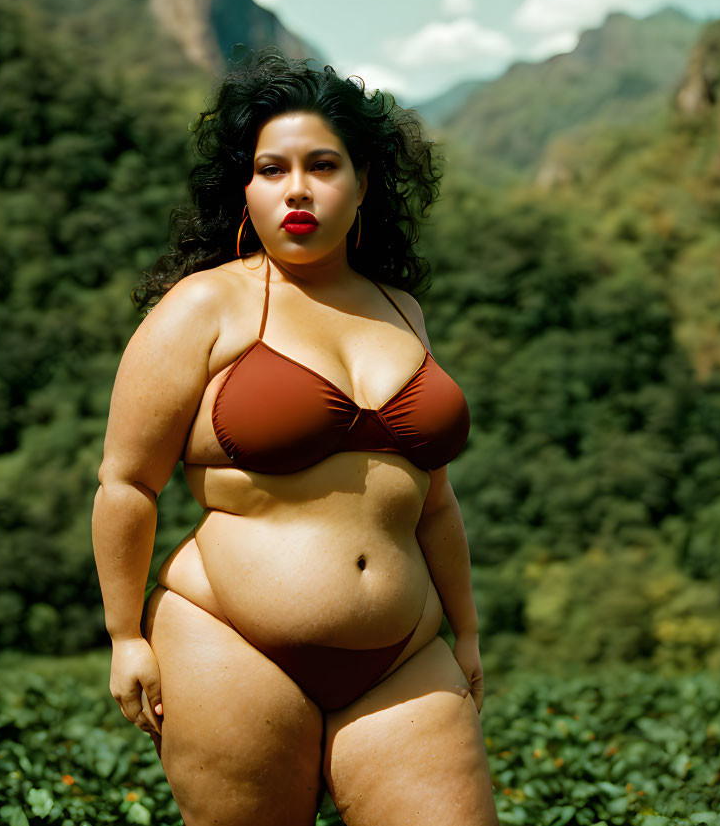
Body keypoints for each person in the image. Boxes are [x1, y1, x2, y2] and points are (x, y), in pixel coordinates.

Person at [92, 48, 500, 826]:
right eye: (271, 169)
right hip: (231, 643)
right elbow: (126, 483)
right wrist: (122, 635)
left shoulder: (401, 308)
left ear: (364, 182)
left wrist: (467, 628)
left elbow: (433, 501)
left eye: (322, 165)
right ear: (244, 188)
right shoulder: (204, 306)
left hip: (406, 657)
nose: (297, 189)